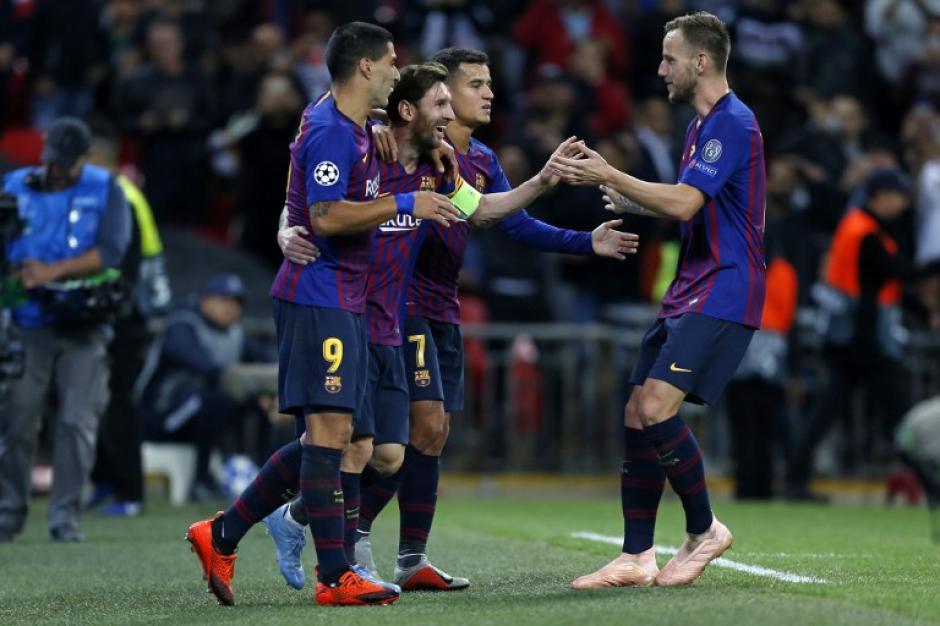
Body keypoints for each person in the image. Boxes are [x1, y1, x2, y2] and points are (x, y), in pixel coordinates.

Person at [270, 60, 639, 592]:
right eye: (473, 86)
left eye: (488, 83)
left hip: (443, 307)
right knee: (376, 435)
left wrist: (583, 237)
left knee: (421, 435)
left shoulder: (473, 162)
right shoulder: (383, 139)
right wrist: (287, 227)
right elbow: (314, 189)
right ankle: (345, 544)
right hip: (390, 305)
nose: (488, 93)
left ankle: (377, 546)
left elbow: (500, 218)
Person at [184, 21, 461, 608]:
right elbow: (329, 216)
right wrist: (407, 200)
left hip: (348, 299)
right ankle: (334, 575)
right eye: (390, 62)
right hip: (320, 293)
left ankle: (227, 532)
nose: (396, 70)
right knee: (332, 435)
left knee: (353, 440)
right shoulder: (336, 132)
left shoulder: (354, 125)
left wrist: (398, 134)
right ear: (365, 67)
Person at [549, 11, 766, 587]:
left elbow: (687, 204)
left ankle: (705, 529)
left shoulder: (733, 123)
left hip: (724, 283)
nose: (660, 68)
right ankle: (636, 556)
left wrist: (613, 173)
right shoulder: (699, 128)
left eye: (669, 58)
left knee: (655, 408)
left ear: (700, 61)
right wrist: (617, 195)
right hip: (692, 283)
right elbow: (684, 201)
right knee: (635, 410)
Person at [0, 117, 131, 543]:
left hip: (83, 325)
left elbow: (111, 252)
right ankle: (10, 512)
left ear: (85, 158)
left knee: (77, 421)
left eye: (65, 163)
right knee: (18, 420)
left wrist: (49, 271)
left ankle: (64, 518)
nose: (56, 169)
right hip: (28, 322)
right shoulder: (16, 186)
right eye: (52, 160)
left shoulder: (105, 187)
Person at [786, 168, 913, 500]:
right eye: (898, 195)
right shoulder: (867, 231)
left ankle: (795, 478)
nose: (903, 203)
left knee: (828, 413)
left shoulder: (857, 225)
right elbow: (897, 270)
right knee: (898, 411)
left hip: (850, 338)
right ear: (880, 196)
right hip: (861, 339)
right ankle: (926, 478)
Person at [87, 122, 171, 517]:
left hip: (128, 314)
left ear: (94, 159)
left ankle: (130, 491)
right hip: (119, 311)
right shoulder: (111, 193)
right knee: (96, 399)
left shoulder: (118, 195)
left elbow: (129, 263)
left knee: (119, 400)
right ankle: (105, 479)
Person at [134, 273, 271, 501]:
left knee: (254, 403)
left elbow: (266, 360)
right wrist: (243, 380)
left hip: (195, 415)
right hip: (158, 414)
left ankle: (262, 475)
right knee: (211, 399)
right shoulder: (183, 325)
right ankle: (201, 481)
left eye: (237, 303)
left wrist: (268, 394)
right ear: (205, 300)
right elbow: (201, 363)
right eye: (224, 300)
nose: (231, 308)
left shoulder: (234, 333)